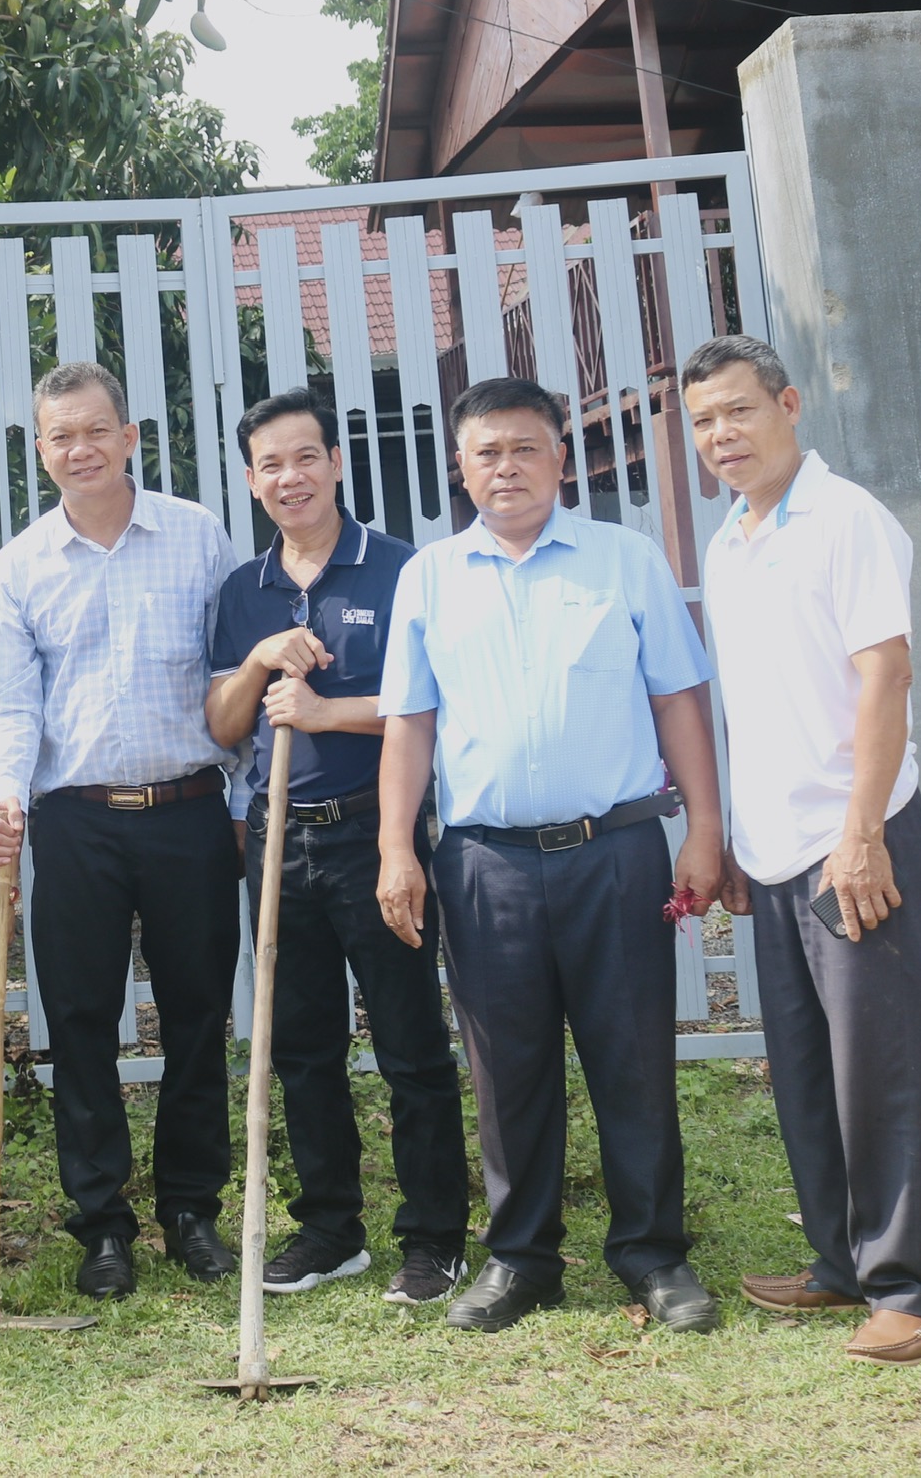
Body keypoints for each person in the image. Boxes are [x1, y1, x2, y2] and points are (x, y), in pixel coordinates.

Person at [374, 376, 727, 1335]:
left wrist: (704, 827)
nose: (506, 468)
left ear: (561, 456)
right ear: (460, 466)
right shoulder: (430, 577)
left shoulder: (625, 561)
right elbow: (409, 723)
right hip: (483, 862)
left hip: (614, 852)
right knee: (507, 1068)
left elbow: (678, 702)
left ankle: (653, 1255)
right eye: (486, 452)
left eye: (526, 448)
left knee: (635, 1060)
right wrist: (394, 851)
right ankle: (523, 1259)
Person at [682, 334, 921, 1365]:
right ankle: (841, 1260)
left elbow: (884, 677)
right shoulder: (729, 540)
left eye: (738, 412)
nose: (721, 436)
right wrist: (735, 843)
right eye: (703, 420)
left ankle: (915, 1287)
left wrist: (861, 834)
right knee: (806, 1065)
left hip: (854, 836)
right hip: (774, 850)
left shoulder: (846, 520)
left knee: (880, 1062)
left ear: (789, 405)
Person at [0, 360, 242, 1302]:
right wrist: (3, 794)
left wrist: (242, 802)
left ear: (130, 437)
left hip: (188, 813)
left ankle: (192, 1210)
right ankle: (103, 1226)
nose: (80, 449)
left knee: (200, 1014)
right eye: (60, 436)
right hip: (76, 823)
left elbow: (230, 682)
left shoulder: (198, 537)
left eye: (96, 431)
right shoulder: (20, 566)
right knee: (80, 1023)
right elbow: (12, 706)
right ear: (41, 451)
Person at [205, 389, 471, 1306]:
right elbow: (220, 725)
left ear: (336, 462)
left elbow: (431, 707)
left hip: (373, 831)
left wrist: (324, 712)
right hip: (277, 842)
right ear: (251, 480)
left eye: (305, 458)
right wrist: (256, 662)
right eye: (271, 465)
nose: (290, 478)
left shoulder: (400, 570)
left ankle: (434, 1237)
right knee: (302, 1047)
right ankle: (330, 1228)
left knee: (408, 1041)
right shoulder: (245, 591)